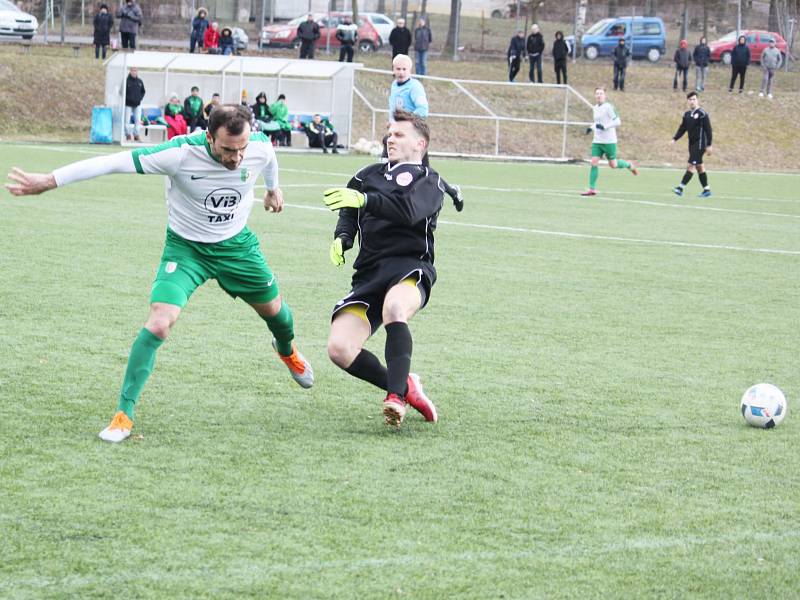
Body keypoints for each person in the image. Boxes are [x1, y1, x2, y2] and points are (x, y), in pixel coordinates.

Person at [4, 105, 314, 443]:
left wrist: (273, 188)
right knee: (159, 322)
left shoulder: (258, 146)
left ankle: (286, 350)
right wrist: (50, 180)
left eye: (241, 150)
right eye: (227, 150)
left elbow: (268, 160)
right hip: (186, 250)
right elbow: (112, 162)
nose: (237, 158)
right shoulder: (178, 154)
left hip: (237, 247)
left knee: (277, 315)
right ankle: (124, 414)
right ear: (209, 136)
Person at [323, 109, 442, 428]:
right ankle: (405, 385)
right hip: (368, 274)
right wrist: (343, 237)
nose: (391, 138)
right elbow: (348, 210)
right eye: (389, 133)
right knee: (339, 348)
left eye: (399, 134)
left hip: (410, 267)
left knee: (394, 308)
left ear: (421, 144)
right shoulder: (367, 175)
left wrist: (366, 201)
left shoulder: (430, 182)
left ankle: (395, 397)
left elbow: (408, 212)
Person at [388, 54, 463, 211]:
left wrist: (407, 125)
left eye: (404, 69)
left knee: (425, 174)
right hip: (400, 137)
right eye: (398, 69)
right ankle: (395, 201)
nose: (401, 72)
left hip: (414, 138)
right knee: (389, 165)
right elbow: (393, 110)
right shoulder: (394, 85)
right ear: (393, 69)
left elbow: (423, 110)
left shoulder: (415, 87)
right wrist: (392, 125)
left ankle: (451, 191)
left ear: (410, 70)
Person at [580, 87, 637, 197]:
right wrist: (591, 128)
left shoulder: (608, 107)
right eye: (597, 93)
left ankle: (629, 165)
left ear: (605, 96)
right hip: (597, 141)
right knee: (593, 162)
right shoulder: (595, 108)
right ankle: (592, 189)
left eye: (601, 93)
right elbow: (597, 122)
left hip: (609, 141)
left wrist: (605, 126)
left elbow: (618, 121)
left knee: (613, 165)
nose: (599, 95)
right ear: (594, 96)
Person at [670, 91, 712, 198]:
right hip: (692, 144)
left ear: (697, 100)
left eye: (694, 99)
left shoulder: (702, 114)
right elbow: (682, 128)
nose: (692, 101)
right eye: (690, 99)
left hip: (700, 143)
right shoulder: (687, 114)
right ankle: (707, 190)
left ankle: (680, 188)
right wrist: (675, 139)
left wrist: (709, 145)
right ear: (687, 101)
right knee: (699, 166)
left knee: (691, 165)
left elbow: (709, 130)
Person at [124, 67, 145, 142]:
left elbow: (143, 91)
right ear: (130, 71)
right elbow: (121, 92)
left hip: (137, 105)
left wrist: (140, 98)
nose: (134, 72)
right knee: (127, 121)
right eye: (132, 70)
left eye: (135, 71)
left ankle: (136, 135)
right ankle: (128, 135)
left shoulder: (139, 81)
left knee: (137, 120)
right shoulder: (126, 81)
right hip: (128, 104)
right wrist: (128, 98)